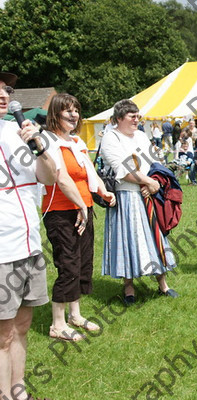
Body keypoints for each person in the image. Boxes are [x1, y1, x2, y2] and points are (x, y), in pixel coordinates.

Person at [0, 71, 58, 400]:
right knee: (3, 335)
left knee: (21, 327)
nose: (4, 96)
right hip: (2, 252)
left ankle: (19, 391)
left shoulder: (19, 132)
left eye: (7, 90)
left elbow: (48, 178)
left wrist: (38, 147)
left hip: (30, 247)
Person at [41, 93, 117, 341]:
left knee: (83, 263)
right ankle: (57, 324)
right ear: (55, 113)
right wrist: (78, 205)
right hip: (61, 212)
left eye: (76, 110)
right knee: (68, 264)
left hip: (83, 208)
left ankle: (75, 315)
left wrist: (102, 191)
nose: (74, 115)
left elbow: (88, 170)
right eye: (67, 110)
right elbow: (60, 178)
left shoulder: (76, 142)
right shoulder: (48, 140)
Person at [101, 99, 178, 306]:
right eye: (132, 116)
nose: (137, 120)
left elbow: (155, 162)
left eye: (138, 116)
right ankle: (129, 287)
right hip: (125, 196)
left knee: (155, 237)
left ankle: (163, 284)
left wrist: (154, 183)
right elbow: (121, 169)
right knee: (128, 240)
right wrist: (149, 181)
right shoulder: (111, 137)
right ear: (119, 118)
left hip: (147, 195)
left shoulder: (142, 136)